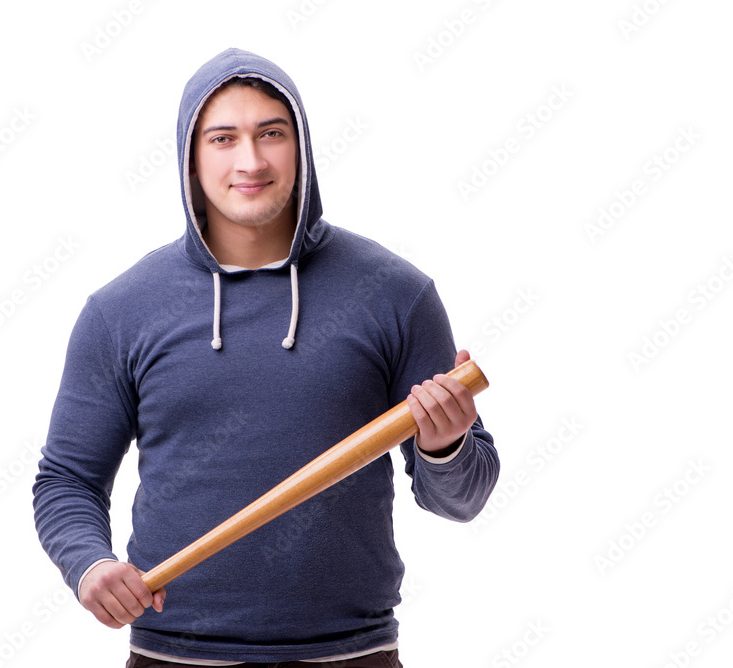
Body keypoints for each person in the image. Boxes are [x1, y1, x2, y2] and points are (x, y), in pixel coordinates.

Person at [32, 47, 500, 667]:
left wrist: (446, 446)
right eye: (223, 139)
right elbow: (67, 480)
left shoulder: (395, 295)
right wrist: (89, 563)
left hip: (353, 655)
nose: (249, 161)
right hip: (174, 654)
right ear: (190, 158)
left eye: (270, 134)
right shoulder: (121, 311)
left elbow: (461, 500)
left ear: (299, 146)